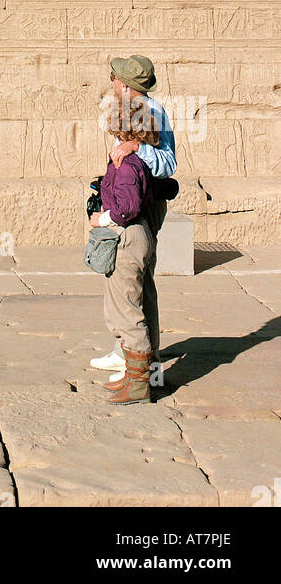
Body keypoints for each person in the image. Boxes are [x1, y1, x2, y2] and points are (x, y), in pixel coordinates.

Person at [90, 54, 177, 392]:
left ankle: (143, 366)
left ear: (124, 84)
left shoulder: (149, 113)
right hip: (129, 201)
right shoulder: (130, 111)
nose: (112, 84)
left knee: (136, 280)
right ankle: (126, 351)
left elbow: (166, 163)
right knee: (126, 279)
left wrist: (136, 148)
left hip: (142, 208)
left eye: (114, 79)